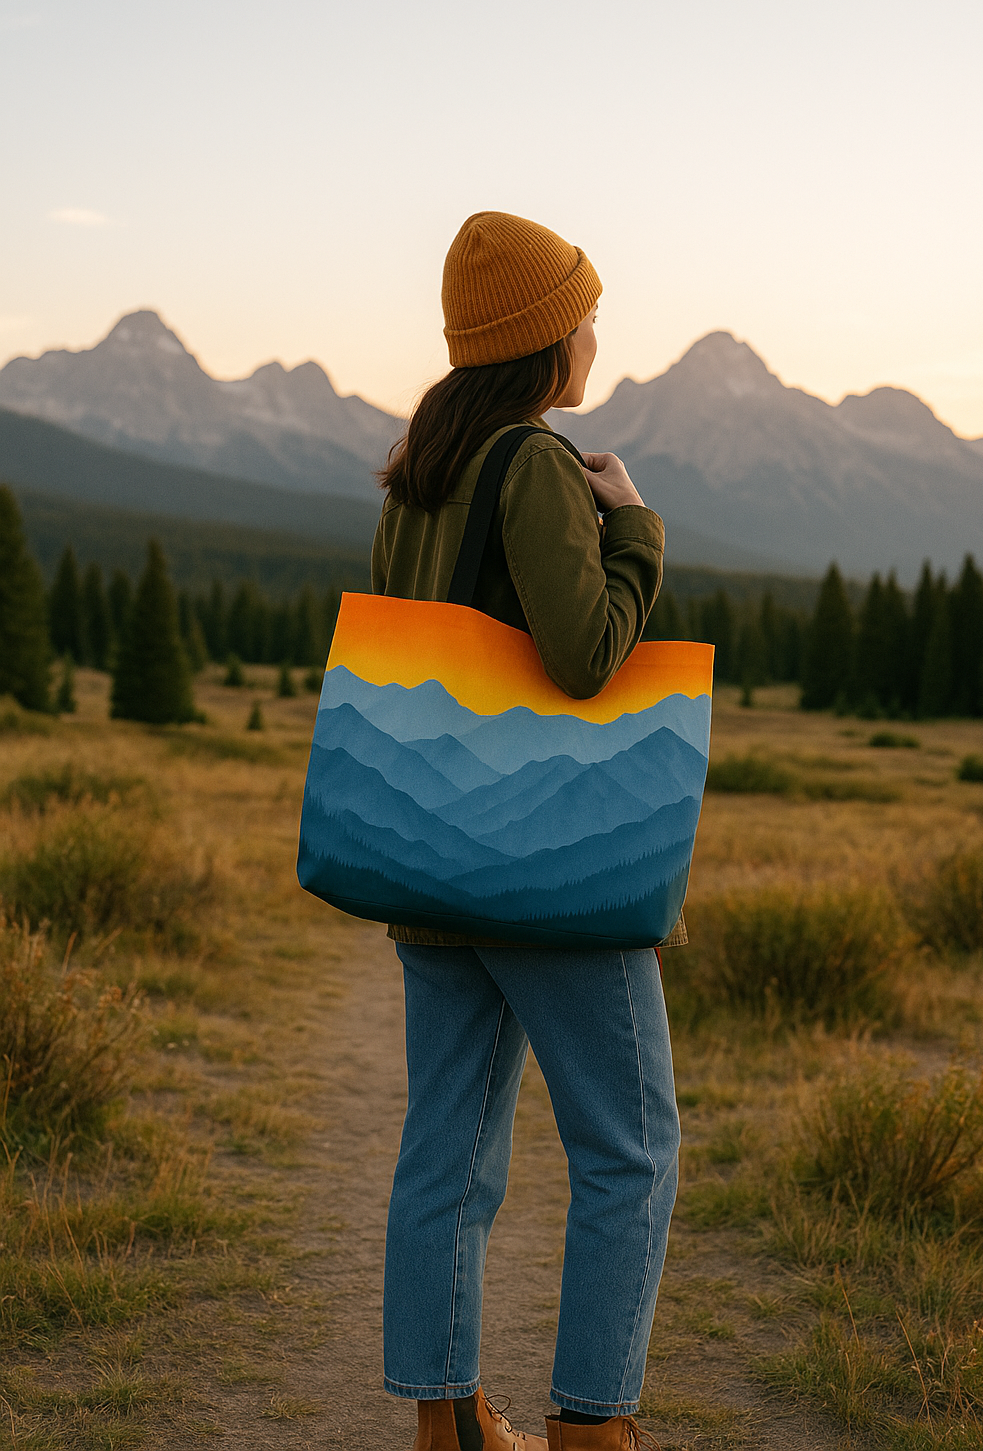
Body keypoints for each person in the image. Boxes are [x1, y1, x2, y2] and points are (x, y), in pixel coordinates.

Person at [372, 211, 682, 1451]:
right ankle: (593, 1429)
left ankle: (445, 1427)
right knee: (630, 1150)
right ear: (543, 343)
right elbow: (587, 653)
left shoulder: (416, 473)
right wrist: (636, 527)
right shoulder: (538, 463)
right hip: (546, 871)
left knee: (444, 1156)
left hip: (428, 865)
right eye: (584, 316)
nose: (594, 336)